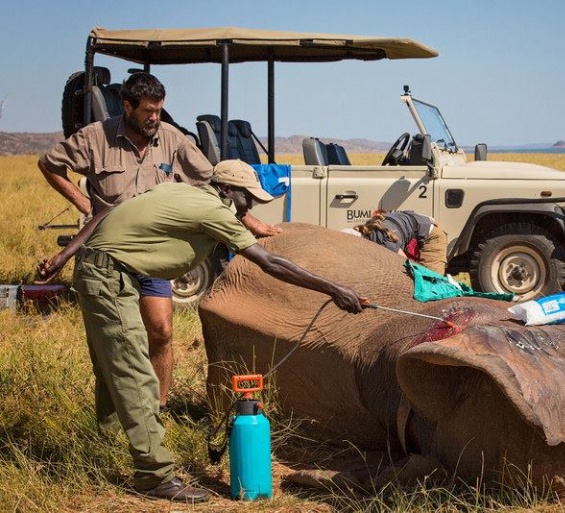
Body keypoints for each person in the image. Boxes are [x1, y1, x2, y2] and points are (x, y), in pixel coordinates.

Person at [35, 159, 366, 502]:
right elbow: (269, 263)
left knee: (112, 365)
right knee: (135, 373)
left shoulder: (179, 191)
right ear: (225, 190)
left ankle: (111, 444)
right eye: (245, 198)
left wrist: (66, 254)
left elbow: (110, 210)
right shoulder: (214, 210)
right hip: (109, 275)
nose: (248, 207)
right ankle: (154, 476)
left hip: (96, 268)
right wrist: (334, 289)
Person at [38, 72, 280, 412]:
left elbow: (216, 186)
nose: (155, 118)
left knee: (162, 330)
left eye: (159, 110)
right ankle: (116, 415)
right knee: (116, 343)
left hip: (153, 253)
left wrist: (250, 223)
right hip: (107, 252)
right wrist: (86, 205)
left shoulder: (173, 139)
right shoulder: (95, 137)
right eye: (148, 111)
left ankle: (158, 409)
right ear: (127, 105)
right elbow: (49, 165)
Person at [346, 210, 448, 275]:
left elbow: (408, 264)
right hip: (416, 226)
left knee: (431, 282)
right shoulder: (369, 227)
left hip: (432, 234)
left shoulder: (383, 242)